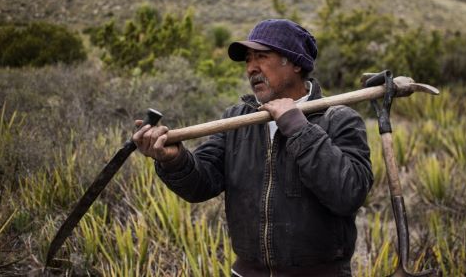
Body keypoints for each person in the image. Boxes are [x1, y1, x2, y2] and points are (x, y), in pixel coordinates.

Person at [133, 19, 373, 276]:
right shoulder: (236, 119)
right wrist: (174, 160)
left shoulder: (338, 119)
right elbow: (201, 184)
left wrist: (297, 127)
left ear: (295, 63)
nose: (251, 68)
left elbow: (349, 194)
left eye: (261, 56)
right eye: (248, 59)